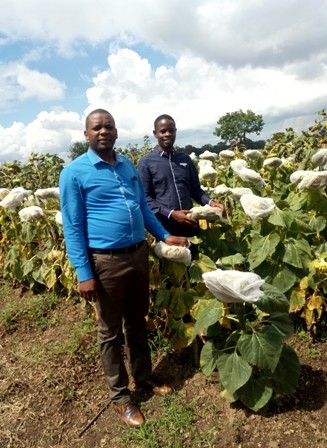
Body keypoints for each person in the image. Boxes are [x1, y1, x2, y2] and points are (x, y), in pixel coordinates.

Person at [59, 109, 188, 428]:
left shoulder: (127, 164)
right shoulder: (74, 173)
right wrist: (84, 273)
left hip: (137, 255)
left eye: (109, 126)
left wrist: (163, 234)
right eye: (96, 127)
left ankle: (144, 377)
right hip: (106, 262)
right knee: (109, 331)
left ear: (116, 132)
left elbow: (142, 208)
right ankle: (120, 398)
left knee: (136, 321)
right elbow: (73, 227)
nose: (104, 131)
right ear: (86, 134)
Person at [138, 114, 224, 237]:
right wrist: (172, 213)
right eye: (163, 131)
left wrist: (210, 203)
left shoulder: (185, 159)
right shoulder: (146, 162)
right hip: (164, 229)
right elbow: (146, 198)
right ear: (155, 133)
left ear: (175, 132)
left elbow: (196, 191)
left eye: (171, 130)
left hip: (190, 224)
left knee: (195, 255)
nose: (167, 134)